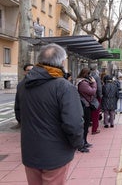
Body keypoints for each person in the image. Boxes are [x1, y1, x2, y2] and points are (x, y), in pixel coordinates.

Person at [14, 43, 84, 185]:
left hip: (30, 152)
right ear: (62, 62)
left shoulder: (23, 85)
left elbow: (19, 115)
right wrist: (78, 144)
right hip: (56, 154)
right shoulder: (64, 87)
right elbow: (74, 124)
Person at [75, 68, 97, 152]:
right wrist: (94, 83)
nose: (90, 76)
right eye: (88, 74)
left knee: (86, 125)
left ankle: (84, 141)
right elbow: (92, 92)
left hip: (85, 105)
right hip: (84, 105)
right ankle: (81, 144)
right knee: (84, 125)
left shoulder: (83, 82)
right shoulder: (83, 83)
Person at [10, 63, 34, 130]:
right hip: (25, 116)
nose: (31, 72)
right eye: (28, 70)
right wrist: (19, 120)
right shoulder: (20, 85)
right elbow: (17, 103)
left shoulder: (40, 83)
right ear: (24, 72)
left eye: (33, 70)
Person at [90, 64, 102, 134]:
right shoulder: (96, 77)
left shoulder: (88, 75)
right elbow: (99, 88)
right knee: (96, 114)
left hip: (87, 97)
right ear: (95, 69)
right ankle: (94, 129)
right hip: (95, 97)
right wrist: (100, 96)